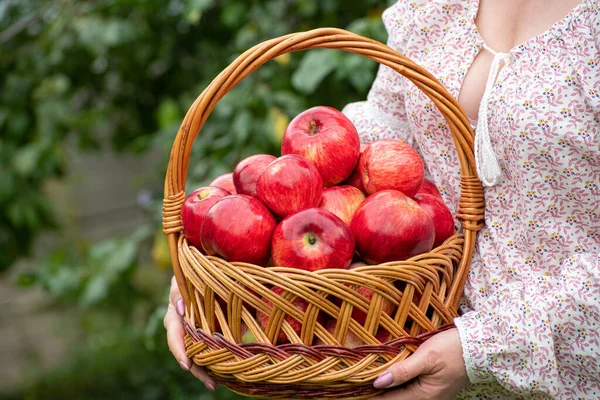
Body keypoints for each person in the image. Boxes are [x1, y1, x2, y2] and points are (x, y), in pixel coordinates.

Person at [164, 0, 600, 398]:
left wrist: (480, 350)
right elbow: (382, 134)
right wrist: (211, 266)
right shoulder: (436, 5)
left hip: (555, 371)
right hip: (394, 331)